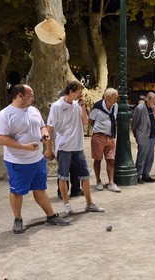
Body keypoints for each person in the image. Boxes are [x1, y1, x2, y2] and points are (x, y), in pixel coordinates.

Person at [0, 84, 69, 233]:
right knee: (17, 191)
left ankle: (51, 216)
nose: (33, 98)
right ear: (20, 95)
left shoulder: (34, 110)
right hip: (18, 161)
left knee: (40, 189)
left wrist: (45, 135)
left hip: (37, 159)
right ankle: (18, 219)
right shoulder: (4, 115)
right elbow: (2, 139)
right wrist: (24, 147)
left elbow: (42, 126)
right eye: (30, 95)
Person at [45, 81, 104, 214]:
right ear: (71, 92)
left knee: (85, 176)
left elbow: (85, 122)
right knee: (63, 176)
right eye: (78, 92)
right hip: (64, 147)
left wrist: (82, 108)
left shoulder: (78, 105)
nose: (80, 95)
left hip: (78, 146)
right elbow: (49, 128)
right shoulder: (57, 106)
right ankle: (66, 203)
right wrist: (48, 148)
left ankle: (89, 203)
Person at [88, 88, 120, 192]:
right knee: (98, 160)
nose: (116, 98)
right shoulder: (98, 106)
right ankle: (98, 181)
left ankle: (111, 183)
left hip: (110, 137)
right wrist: (99, 130)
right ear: (107, 97)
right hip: (99, 137)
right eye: (114, 96)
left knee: (110, 160)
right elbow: (90, 120)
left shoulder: (115, 107)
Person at [131, 92, 155, 184]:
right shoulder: (140, 108)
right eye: (153, 100)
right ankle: (138, 175)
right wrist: (137, 134)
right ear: (148, 99)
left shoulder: (153, 108)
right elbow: (134, 123)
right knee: (141, 156)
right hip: (143, 136)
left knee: (150, 157)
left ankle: (146, 174)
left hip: (152, 136)